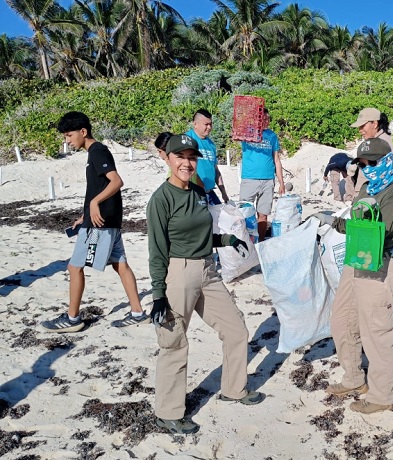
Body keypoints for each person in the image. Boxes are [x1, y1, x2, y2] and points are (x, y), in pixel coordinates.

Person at [147, 134, 265, 435]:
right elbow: (157, 250)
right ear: (168, 159)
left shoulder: (198, 192)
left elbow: (200, 235)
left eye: (191, 157)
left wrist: (225, 239)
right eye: (180, 157)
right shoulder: (161, 199)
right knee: (174, 342)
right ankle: (168, 413)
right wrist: (159, 295)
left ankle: (234, 390)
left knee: (236, 329)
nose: (186, 162)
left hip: (208, 269)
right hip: (178, 273)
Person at [312, 138, 393, 414]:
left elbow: (373, 232)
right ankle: (354, 378)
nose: (367, 169)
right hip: (354, 262)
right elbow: (357, 222)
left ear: (387, 162)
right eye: (363, 164)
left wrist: (335, 222)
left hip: (377, 266)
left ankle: (380, 396)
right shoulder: (366, 187)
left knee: (376, 333)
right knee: (341, 321)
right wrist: (335, 220)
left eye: (373, 163)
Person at [41, 112, 148, 332]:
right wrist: (85, 214)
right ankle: (137, 313)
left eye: (69, 135)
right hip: (107, 220)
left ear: (83, 132)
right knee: (121, 265)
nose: (67, 140)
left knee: (74, 267)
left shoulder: (98, 151)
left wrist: (94, 204)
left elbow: (117, 181)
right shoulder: (94, 153)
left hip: (100, 224)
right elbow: (98, 188)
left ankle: (72, 319)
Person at [239, 107, 285, 241]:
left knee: (263, 214)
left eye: (268, 119)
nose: (266, 121)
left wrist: (281, 182)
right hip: (249, 179)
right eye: (263, 119)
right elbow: (236, 130)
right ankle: (245, 242)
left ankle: (259, 243)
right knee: (244, 213)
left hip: (268, 180)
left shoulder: (272, 136)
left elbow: (276, 159)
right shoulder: (247, 133)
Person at [185, 109, 229, 205]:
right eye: (206, 124)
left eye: (211, 124)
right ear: (195, 124)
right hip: (194, 193)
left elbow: (215, 170)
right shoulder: (187, 140)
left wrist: (223, 192)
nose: (209, 127)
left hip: (209, 192)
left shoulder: (211, 144)